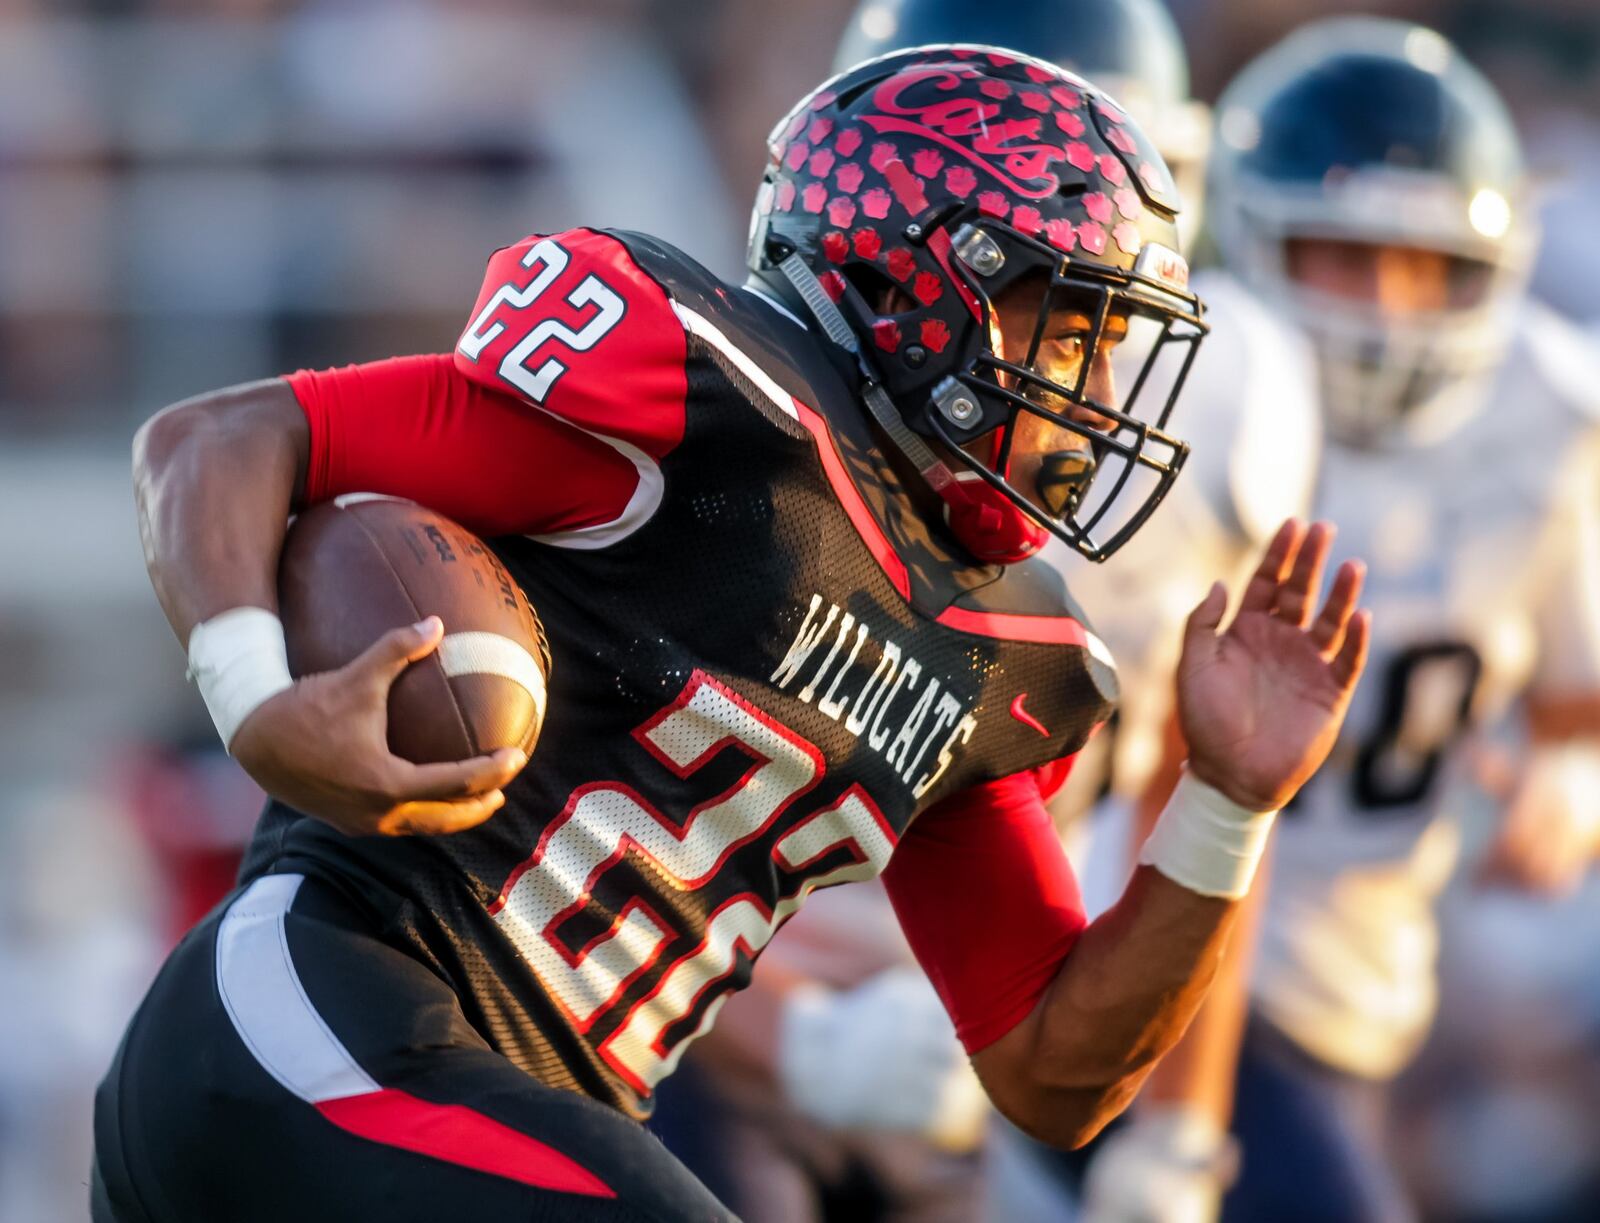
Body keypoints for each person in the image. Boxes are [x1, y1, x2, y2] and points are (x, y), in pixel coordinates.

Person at [96, 46, 1371, 1222]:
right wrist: (258, 702)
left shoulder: (997, 648)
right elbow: (219, 441)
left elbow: (1051, 1070)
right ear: (923, 273)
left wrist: (1226, 802)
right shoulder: (697, 394)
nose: (1093, 396)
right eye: (1071, 326)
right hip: (313, 1008)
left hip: (517, 1103)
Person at [649, 7, 1325, 1221]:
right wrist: (803, 1041)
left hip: (999, 965)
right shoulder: (736, 410)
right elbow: (571, 843)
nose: (1099, 386)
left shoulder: (1222, 398)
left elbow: (1200, 763)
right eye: (1030, 263)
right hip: (722, 990)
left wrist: (1179, 1132)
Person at [1088, 19, 1600, 1223]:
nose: (1382, 307)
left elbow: (1574, 701)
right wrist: (1177, 1128)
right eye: (1342, 253)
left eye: (1422, 264)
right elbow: (1150, 761)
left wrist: (1570, 773)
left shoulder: (1554, 416)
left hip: (1360, 984)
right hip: (1144, 950)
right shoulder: (1186, 381)